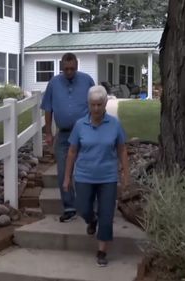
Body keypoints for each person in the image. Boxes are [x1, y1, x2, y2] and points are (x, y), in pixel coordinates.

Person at [62, 85, 129, 267]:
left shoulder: (114, 124)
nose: (96, 108)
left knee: (106, 215)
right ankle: (91, 220)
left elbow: (122, 150)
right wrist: (67, 178)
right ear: (88, 105)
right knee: (83, 207)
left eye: (100, 104)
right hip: (84, 175)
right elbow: (72, 152)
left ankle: (101, 251)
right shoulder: (80, 125)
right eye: (93, 105)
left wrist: (125, 174)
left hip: (108, 177)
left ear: (105, 103)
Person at [40, 53, 95, 223]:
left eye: (72, 68)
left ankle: (90, 206)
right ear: (61, 67)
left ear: (77, 66)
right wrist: (48, 132)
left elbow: (96, 104)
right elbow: (48, 108)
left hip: (85, 133)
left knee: (86, 170)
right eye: (66, 69)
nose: (69, 72)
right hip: (63, 135)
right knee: (64, 171)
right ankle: (69, 207)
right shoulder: (54, 83)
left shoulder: (87, 81)